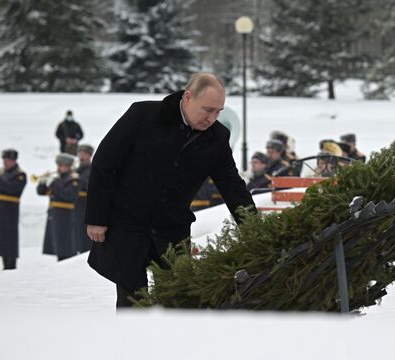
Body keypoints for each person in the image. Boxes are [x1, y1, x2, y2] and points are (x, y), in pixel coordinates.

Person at [85, 72, 256, 308]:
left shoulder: (217, 138)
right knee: (133, 302)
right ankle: (129, 345)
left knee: (180, 301)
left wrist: (254, 228)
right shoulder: (143, 116)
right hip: (127, 226)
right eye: (208, 109)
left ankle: (173, 345)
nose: (212, 118)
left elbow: (232, 185)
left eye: (218, 111)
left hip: (171, 231)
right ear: (188, 97)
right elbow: (105, 164)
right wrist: (96, 218)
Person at [0, 149, 27, 270]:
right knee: (1, 238)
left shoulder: (20, 175)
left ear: (14, 160)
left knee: (9, 238)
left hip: (10, 211)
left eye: (7, 160)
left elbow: (12, 188)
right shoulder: (1, 172)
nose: (5, 162)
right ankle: (5, 264)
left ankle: (11, 265)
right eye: (4, 160)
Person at [38, 153, 80, 261]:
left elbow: (68, 195)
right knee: (59, 247)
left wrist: (53, 183)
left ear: (68, 166)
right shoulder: (58, 179)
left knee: (66, 247)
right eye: (59, 165)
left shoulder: (74, 179)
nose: (59, 168)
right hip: (55, 215)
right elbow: (41, 192)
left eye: (62, 165)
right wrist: (42, 182)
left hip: (66, 217)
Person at [74, 144, 94, 253]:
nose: (81, 156)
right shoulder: (77, 169)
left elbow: (89, 185)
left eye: (84, 153)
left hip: (85, 203)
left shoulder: (91, 169)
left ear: (89, 155)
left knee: (83, 230)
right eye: (80, 153)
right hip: (76, 204)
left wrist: (77, 178)